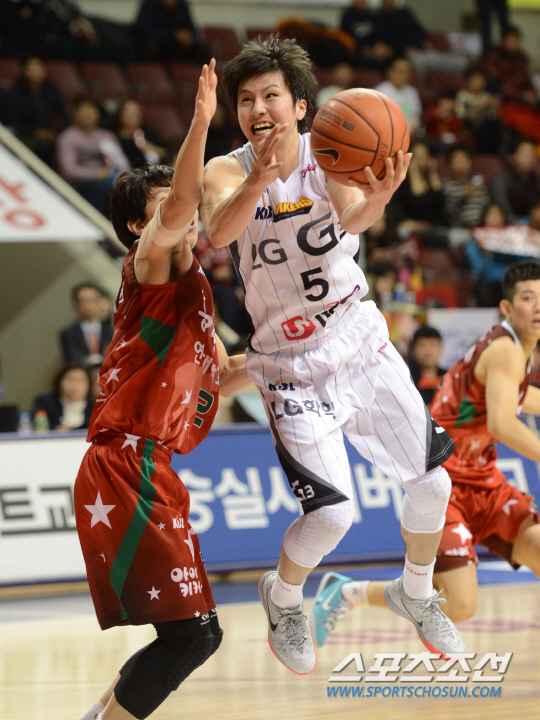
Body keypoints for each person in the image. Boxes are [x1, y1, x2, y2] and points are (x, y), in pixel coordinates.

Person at [200, 35, 464, 675]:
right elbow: (219, 230)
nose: (258, 109)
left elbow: (353, 217)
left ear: (299, 105)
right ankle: (283, 596)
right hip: (289, 365)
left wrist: (380, 196)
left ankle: (416, 590)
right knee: (333, 515)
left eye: (270, 96)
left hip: (357, 338)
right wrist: (259, 179)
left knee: (433, 483)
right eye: (245, 99)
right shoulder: (225, 170)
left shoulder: (329, 156)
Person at [73, 60, 251, 720]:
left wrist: (300, 352)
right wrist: (201, 124)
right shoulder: (147, 263)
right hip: (125, 464)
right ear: (136, 226)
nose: (188, 212)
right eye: (167, 205)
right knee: (193, 636)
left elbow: (222, 375)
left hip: (153, 466)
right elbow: (179, 204)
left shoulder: (195, 290)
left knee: (189, 635)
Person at [310, 259, 540, 645]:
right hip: (447, 481)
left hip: (483, 480)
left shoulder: (516, 349)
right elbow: (503, 423)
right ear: (506, 307)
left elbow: (514, 395)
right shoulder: (506, 351)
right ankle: (350, 592)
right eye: (528, 298)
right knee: (460, 606)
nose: (537, 307)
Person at [57, 98, 130, 216]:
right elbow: (69, 170)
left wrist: (121, 177)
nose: (88, 115)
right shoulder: (68, 137)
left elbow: (122, 163)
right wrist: (97, 173)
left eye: (91, 111)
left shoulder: (107, 136)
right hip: (83, 182)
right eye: (84, 112)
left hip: (110, 178)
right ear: (76, 114)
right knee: (97, 187)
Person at [0, 56, 68, 166]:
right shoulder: (13, 94)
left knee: (67, 140)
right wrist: (35, 132)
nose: (35, 72)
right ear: (24, 71)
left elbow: (62, 116)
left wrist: (55, 131)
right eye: (32, 69)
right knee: (39, 146)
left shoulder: (51, 91)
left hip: (50, 134)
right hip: (25, 135)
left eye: (39, 68)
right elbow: (11, 123)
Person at [134, 0, 207, 63]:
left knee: (198, 48)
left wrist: (188, 36)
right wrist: (173, 35)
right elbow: (143, 29)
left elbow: (191, 28)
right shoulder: (150, 4)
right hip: (156, 43)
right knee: (150, 47)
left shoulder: (182, 5)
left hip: (175, 46)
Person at [60, 283, 114, 364]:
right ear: (76, 304)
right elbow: (73, 358)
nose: (88, 305)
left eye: (92, 300)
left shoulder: (112, 332)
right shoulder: (68, 333)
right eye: (83, 301)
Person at [32, 363, 94, 430]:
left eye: (80, 380)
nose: (74, 385)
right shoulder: (46, 403)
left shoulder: (96, 407)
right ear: (59, 381)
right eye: (70, 380)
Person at [491, 140, 540, 223]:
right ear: (514, 157)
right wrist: (520, 224)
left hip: (532, 226)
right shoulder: (502, 180)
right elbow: (503, 210)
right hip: (506, 225)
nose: (529, 158)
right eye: (525, 154)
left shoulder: (536, 181)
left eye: (532, 154)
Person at [442, 146, 490, 229]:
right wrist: (463, 197)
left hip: (481, 227)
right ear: (450, 164)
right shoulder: (446, 185)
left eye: (465, 158)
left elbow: (487, 205)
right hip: (458, 228)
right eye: (458, 159)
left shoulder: (479, 182)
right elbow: (448, 213)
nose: (462, 161)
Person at [114, 98, 170, 169]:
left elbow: (166, 153)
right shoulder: (113, 137)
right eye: (128, 112)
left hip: (155, 171)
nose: (133, 115)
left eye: (136, 111)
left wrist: (150, 147)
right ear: (120, 114)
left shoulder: (149, 132)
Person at [375, 58, 422, 135]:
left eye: (406, 72)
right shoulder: (380, 92)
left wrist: (411, 131)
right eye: (400, 72)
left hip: (408, 135)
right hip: (387, 134)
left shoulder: (412, 92)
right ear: (390, 72)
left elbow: (415, 116)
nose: (403, 75)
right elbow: (377, 119)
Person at [407, 326, 445, 405]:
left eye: (433, 345)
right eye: (422, 345)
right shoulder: (406, 379)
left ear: (440, 348)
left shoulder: (450, 378)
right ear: (413, 349)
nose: (428, 352)